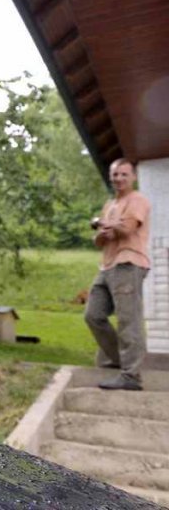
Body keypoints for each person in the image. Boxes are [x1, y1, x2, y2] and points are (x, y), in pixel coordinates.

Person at [84, 158, 151, 391]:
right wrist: (102, 232)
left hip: (128, 263)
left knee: (128, 319)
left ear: (133, 177)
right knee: (93, 315)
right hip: (107, 266)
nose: (119, 178)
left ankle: (131, 376)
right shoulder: (110, 204)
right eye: (115, 174)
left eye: (124, 174)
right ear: (110, 177)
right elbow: (100, 240)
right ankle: (120, 361)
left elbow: (127, 229)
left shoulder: (138, 200)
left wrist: (101, 224)